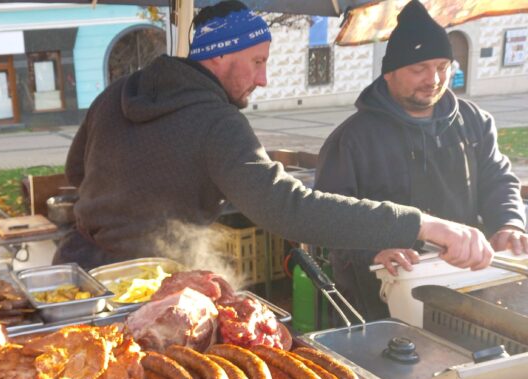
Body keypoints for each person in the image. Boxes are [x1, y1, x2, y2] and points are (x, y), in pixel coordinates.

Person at [54, 0, 494, 283]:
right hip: (148, 283)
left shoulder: (118, 92)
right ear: (220, 55)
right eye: (258, 62)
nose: (263, 79)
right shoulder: (218, 122)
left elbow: (78, 171)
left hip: (75, 271)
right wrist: (423, 224)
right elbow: (290, 210)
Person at [316, 0, 526, 320]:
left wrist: (508, 222)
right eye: (419, 69)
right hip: (377, 294)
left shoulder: (474, 121)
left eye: (442, 66)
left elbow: (497, 178)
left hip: (459, 283)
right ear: (389, 73)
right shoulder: (351, 140)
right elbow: (328, 218)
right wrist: (372, 252)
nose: (434, 79)